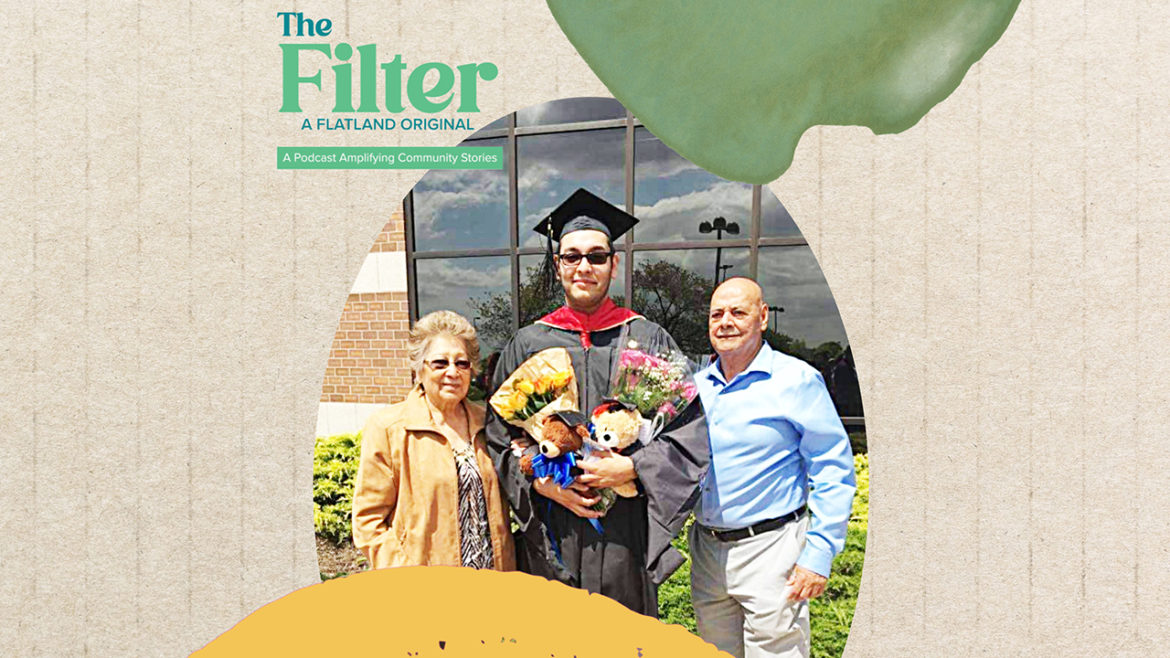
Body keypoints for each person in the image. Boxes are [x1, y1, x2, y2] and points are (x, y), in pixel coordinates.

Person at [484, 188, 709, 616]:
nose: (584, 266)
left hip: (623, 529)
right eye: (572, 256)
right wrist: (542, 483)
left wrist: (632, 467)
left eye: (596, 256)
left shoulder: (646, 338)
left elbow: (689, 432)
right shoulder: (529, 342)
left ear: (614, 263)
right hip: (553, 528)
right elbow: (499, 439)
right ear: (559, 265)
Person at [690, 277, 856, 658]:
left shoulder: (796, 381)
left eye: (738, 312)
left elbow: (832, 468)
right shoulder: (697, 386)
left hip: (772, 549)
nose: (725, 321)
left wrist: (819, 554)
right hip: (707, 550)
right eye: (717, 314)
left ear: (763, 317)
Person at [351, 310, 516, 571]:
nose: (453, 372)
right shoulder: (389, 427)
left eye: (461, 363)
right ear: (419, 368)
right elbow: (368, 521)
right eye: (440, 363)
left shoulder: (489, 423)